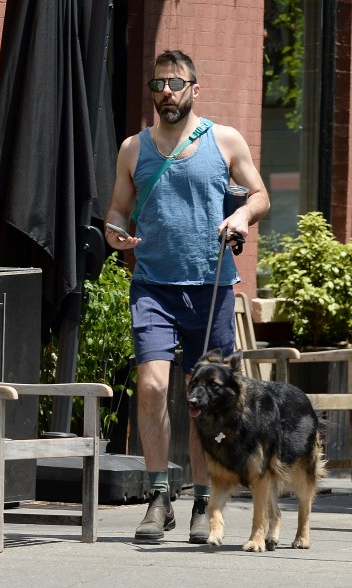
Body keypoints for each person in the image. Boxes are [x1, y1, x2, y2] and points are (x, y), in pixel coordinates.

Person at [104, 49, 270, 544]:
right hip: (153, 286)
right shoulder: (133, 148)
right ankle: (159, 496)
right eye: (158, 85)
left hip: (212, 286)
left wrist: (241, 216)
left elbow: (259, 194)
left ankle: (203, 500)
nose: (166, 93)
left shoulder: (224, 140)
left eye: (176, 84)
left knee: (207, 400)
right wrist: (116, 235)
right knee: (153, 387)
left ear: (195, 89)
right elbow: (116, 211)